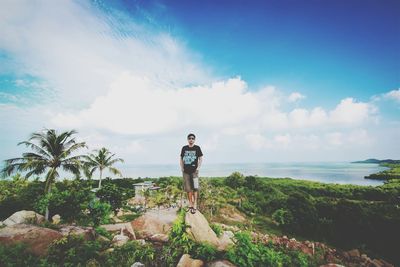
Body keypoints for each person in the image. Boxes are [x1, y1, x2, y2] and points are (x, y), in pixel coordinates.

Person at [180, 133, 203, 214]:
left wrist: (198, 168)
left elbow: (200, 158)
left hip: (194, 172)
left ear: (194, 139)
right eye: (189, 138)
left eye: (193, 138)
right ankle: (190, 204)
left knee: (195, 188)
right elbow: (181, 158)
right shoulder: (184, 148)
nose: (191, 139)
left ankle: (195, 204)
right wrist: (182, 168)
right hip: (186, 172)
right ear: (187, 139)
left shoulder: (197, 148)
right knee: (188, 189)